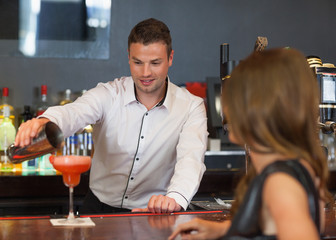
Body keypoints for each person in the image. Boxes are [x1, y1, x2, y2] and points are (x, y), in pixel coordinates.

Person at [14, 18, 208, 214]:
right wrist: (46, 121)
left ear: (171, 58)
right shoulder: (109, 94)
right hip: (99, 207)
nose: (146, 72)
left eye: (155, 63)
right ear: (128, 57)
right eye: (137, 62)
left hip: (152, 211)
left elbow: (190, 160)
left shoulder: (191, 106)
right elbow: (74, 112)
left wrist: (174, 199)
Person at [169, 48, 331, 239]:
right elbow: (269, 228)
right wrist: (222, 230)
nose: (225, 108)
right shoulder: (301, 167)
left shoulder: (280, 184)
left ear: (258, 110)